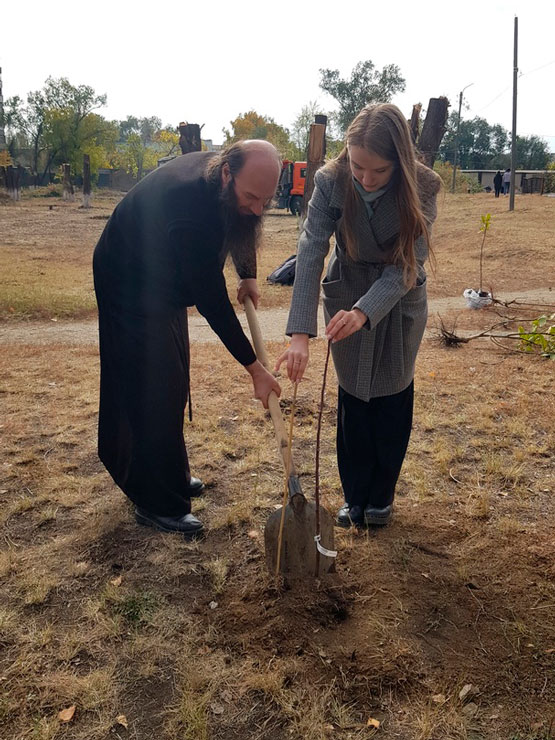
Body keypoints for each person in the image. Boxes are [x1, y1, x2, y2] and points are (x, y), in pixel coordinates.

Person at [93, 140, 282, 537]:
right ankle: (155, 501)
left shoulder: (227, 182)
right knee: (154, 385)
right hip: (127, 277)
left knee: (172, 378)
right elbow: (211, 300)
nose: (257, 208)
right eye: (251, 197)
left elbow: (243, 223)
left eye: (267, 200)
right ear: (228, 173)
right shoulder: (190, 210)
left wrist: (247, 273)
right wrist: (255, 368)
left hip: (162, 273)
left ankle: (169, 475)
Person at [276, 104, 441, 528]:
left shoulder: (423, 187)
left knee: (391, 394)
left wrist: (366, 311)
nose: (365, 179)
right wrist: (299, 334)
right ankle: (354, 497)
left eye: (379, 171)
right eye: (357, 166)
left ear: (400, 164)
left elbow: (408, 264)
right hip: (345, 288)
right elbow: (312, 247)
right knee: (352, 396)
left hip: (397, 299)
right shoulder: (331, 180)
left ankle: (380, 497)